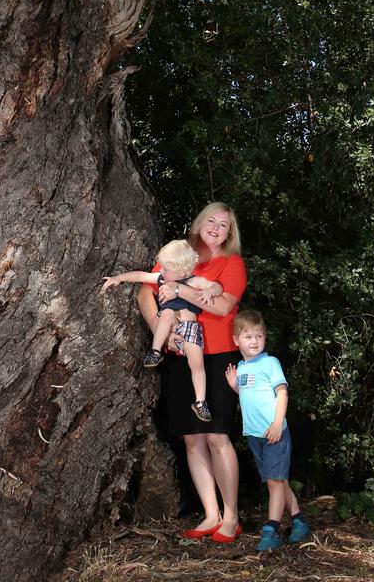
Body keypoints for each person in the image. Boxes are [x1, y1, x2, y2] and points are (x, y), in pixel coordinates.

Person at [137, 201, 246, 544]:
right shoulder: (180, 253)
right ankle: (210, 514)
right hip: (180, 356)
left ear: (231, 233)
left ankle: (231, 517)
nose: (215, 228)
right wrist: (163, 331)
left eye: (224, 225)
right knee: (192, 438)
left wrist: (183, 290)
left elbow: (224, 305)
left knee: (217, 436)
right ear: (199, 222)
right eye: (210, 220)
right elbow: (146, 291)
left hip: (218, 355)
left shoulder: (232, 262)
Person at [102, 239, 224, 422]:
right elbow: (141, 276)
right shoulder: (161, 278)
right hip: (170, 324)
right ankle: (155, 351)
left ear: (182, 271)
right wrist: (118, 278)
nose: (161, 271)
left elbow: (217, 286)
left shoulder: (193, 281)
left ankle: (200, 402)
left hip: (189, 328)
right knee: (166, 312)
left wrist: (210, 292)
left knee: (197, 364)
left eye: (166, 269)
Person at [225, 309, 311, 552]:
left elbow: (281, 393)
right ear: (236, 340)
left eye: (259, 336)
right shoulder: (241, 368)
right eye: (248, 337)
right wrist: (235, 387)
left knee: (274, 482)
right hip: (255, 435)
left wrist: (276, 424)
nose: (254, 341)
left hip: (275, 432)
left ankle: (272, 529)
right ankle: (299, 522)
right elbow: (251, 396)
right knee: (278, 481)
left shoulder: (270, 363)